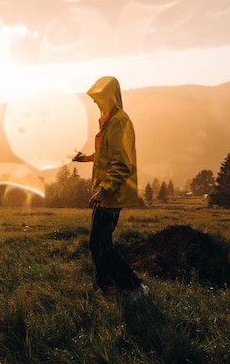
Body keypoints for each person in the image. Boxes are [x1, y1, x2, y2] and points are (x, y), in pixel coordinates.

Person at [73, 76, 149, 299]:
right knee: (98, 244)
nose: (96, 104)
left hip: (111, 196)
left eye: (98, 100)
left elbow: (122, 163)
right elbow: (106, 154)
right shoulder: (110, 121)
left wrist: (104, 190)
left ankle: (135, 288)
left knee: (101, 245)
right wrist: (86, 158)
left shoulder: (118, 122)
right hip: (106, 195)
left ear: (109, 97)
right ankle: (105, 286)